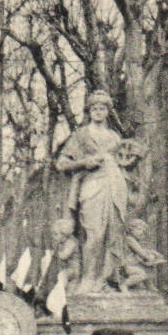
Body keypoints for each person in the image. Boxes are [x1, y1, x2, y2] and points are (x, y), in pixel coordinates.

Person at [55, 90, 131, 294]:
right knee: (94, 233)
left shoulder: (115, 137)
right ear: (89, 111)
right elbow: (61, 163)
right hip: (91, 185)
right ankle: (88, 278)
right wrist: (84, 162)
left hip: (115, 186)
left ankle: (107, 278)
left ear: (108, 111)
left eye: (102, 108)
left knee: (113, 233)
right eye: (94, 108)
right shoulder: (81, 135)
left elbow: (123, 161)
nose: (98, 112)